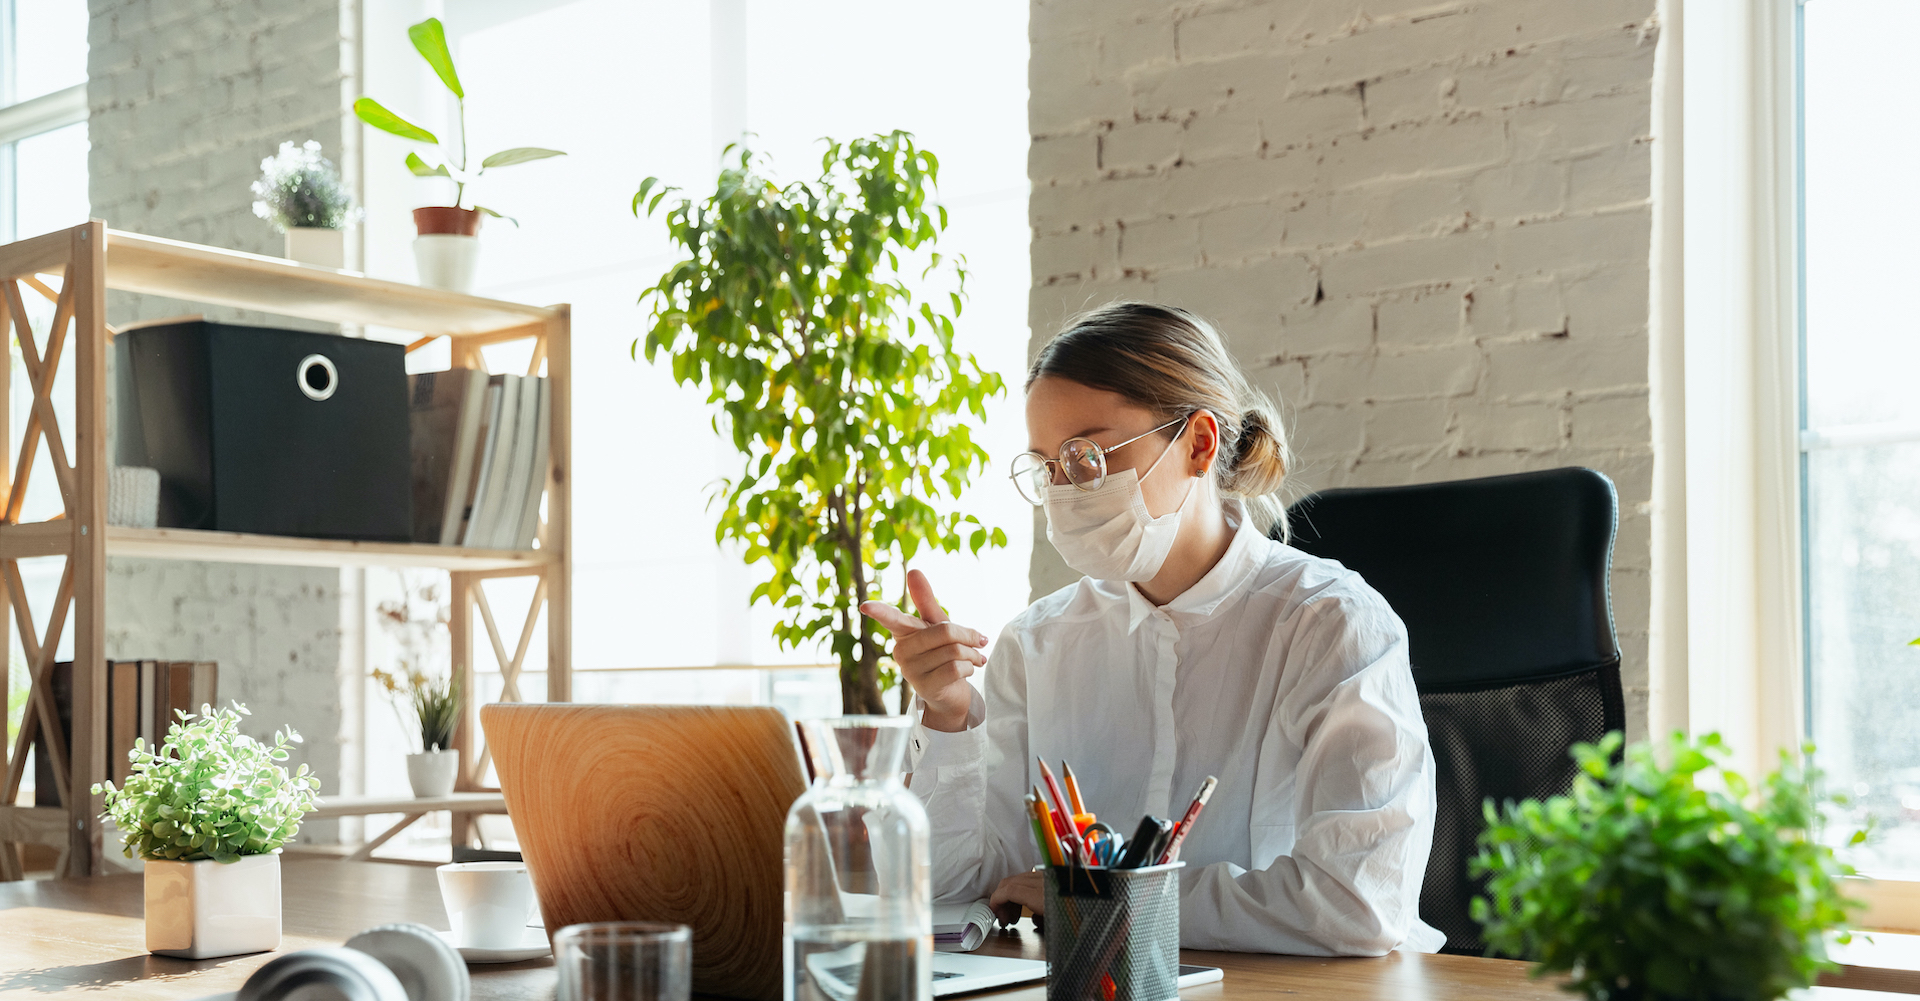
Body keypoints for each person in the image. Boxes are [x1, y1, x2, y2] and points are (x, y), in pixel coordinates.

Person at [859, 302, 1443, 956]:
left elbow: (1360, 900)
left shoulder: (1330, 622)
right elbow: (947, 893)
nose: (1064, 488)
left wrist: (1106, 900)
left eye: (1086, 454)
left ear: (1198, 443)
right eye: (1047, 465)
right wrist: (948, 716)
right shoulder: (1035, 644)